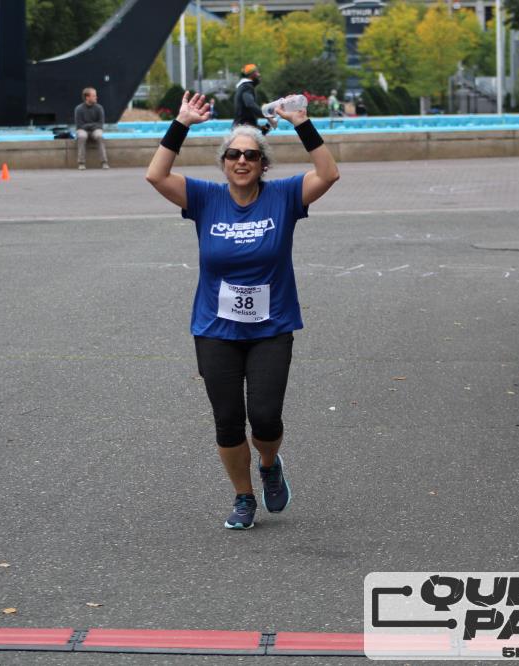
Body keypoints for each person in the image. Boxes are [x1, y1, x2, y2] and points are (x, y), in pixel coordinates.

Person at [145, 92, 340, 529]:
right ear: (223, 163)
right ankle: (243, 496)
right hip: (216, 329)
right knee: (228, 421)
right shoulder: (205, 198)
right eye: (233, 154)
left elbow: (329, 173)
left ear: (263, 164)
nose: (242, 160)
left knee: (266, 419)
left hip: (271, 327)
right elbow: (156, 174)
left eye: (251, 155)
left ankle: (269, 464)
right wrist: (181, 123)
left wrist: (302, 123)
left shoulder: (284, 196)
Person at [74, 87, 109, 170]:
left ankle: (104, 162)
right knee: (82, 136)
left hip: (95, 130)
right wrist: (92, 125)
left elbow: (100, 124)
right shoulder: (79, 109)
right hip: (82, 130)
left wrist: (88, 125)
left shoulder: (99, 108)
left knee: (99, 136)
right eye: (94, 96)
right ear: (87, 97)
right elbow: (79, 125)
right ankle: (81, 163)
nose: (96, 97)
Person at [233, 64, 273, 133]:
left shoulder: (243, 87)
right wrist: (266, 115)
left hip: (242, 127)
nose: (259, 75)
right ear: (251, 75)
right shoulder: (247, 87)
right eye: (257, 72)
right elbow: (250, 104)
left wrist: (261, 128)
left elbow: (245, 114)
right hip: (244, 129)